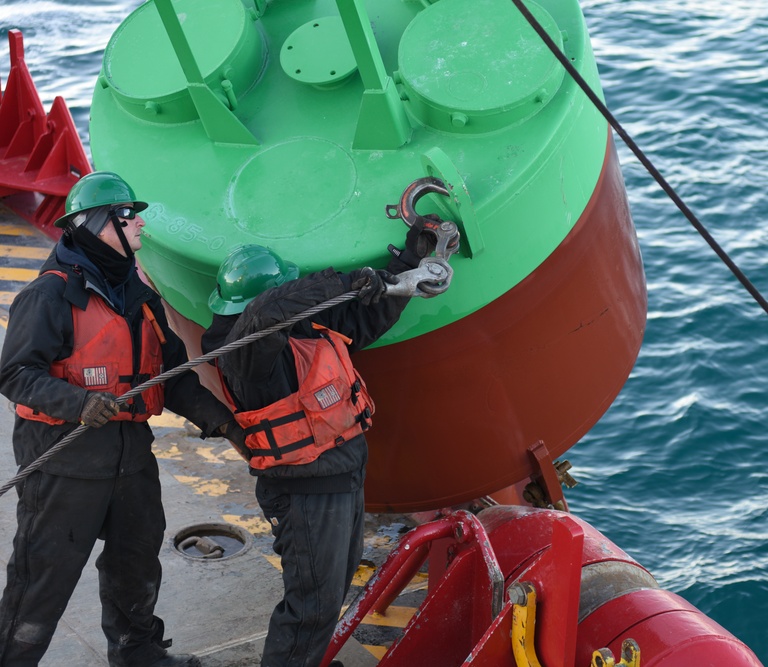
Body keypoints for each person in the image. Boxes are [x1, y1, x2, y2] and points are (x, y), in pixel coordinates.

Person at [0, 171, 245, 667]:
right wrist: (79, 403)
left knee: (135, 565)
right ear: (97, 224)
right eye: (129, 216)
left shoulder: (138, 293)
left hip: (131, 461)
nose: (140, 227)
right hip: (63, 468)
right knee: (41, 582)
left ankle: (139, 655)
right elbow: (14, 374)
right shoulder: (49, 296)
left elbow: (170, 374)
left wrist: (221, 421)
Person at [200, 218, 443, 667]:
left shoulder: (303, 331)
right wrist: (345, 281)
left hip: (341, 479)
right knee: (311, 607)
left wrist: (410, 262)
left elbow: (363, 320)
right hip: (306, 493)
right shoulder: (247, 354)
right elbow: (266, 312)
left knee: (329, 591)